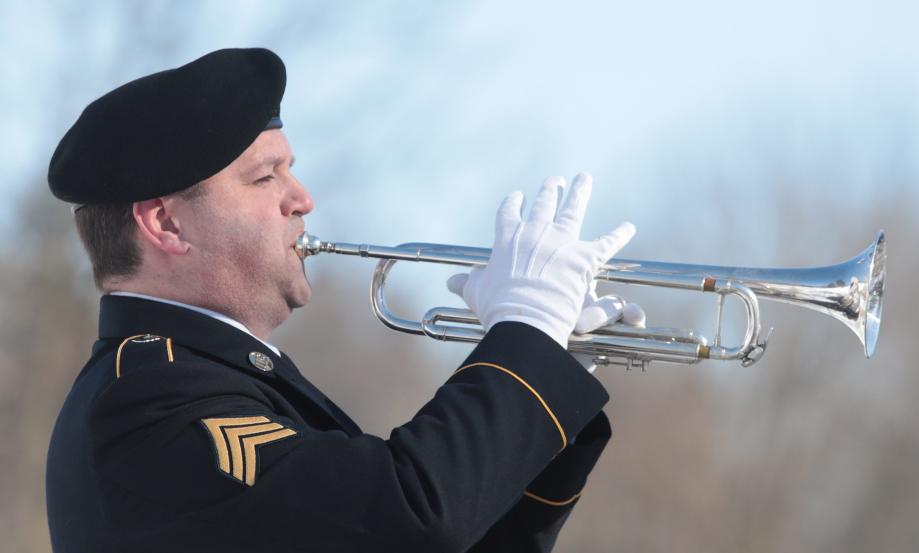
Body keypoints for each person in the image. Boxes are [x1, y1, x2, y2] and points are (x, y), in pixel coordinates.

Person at [45, 48, 643, 553]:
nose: (302, 198)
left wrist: (547, 375)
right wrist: (526, 340)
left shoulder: (216, 380)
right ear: (166, 225)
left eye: (291, 171)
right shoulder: (148, 401)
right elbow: (407, 514)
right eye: (264, 177)